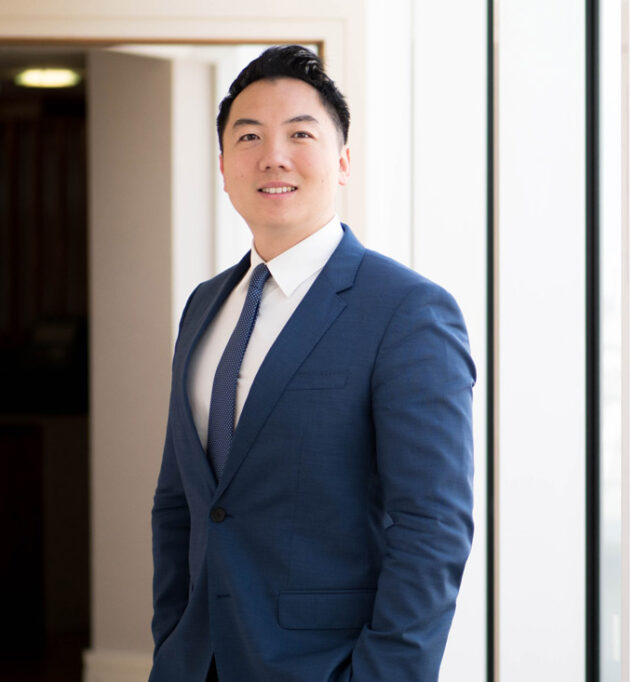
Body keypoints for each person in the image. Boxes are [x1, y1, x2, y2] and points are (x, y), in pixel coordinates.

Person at [149, 45, 475, 682]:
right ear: (223, 167)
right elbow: (179, 503)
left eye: (301, 134)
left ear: (343, 161)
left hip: (324, 667)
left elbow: (432, 527)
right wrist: (171, 641)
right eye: (249, 136)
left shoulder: (407, 311)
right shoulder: (204, 306)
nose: (274, 155)